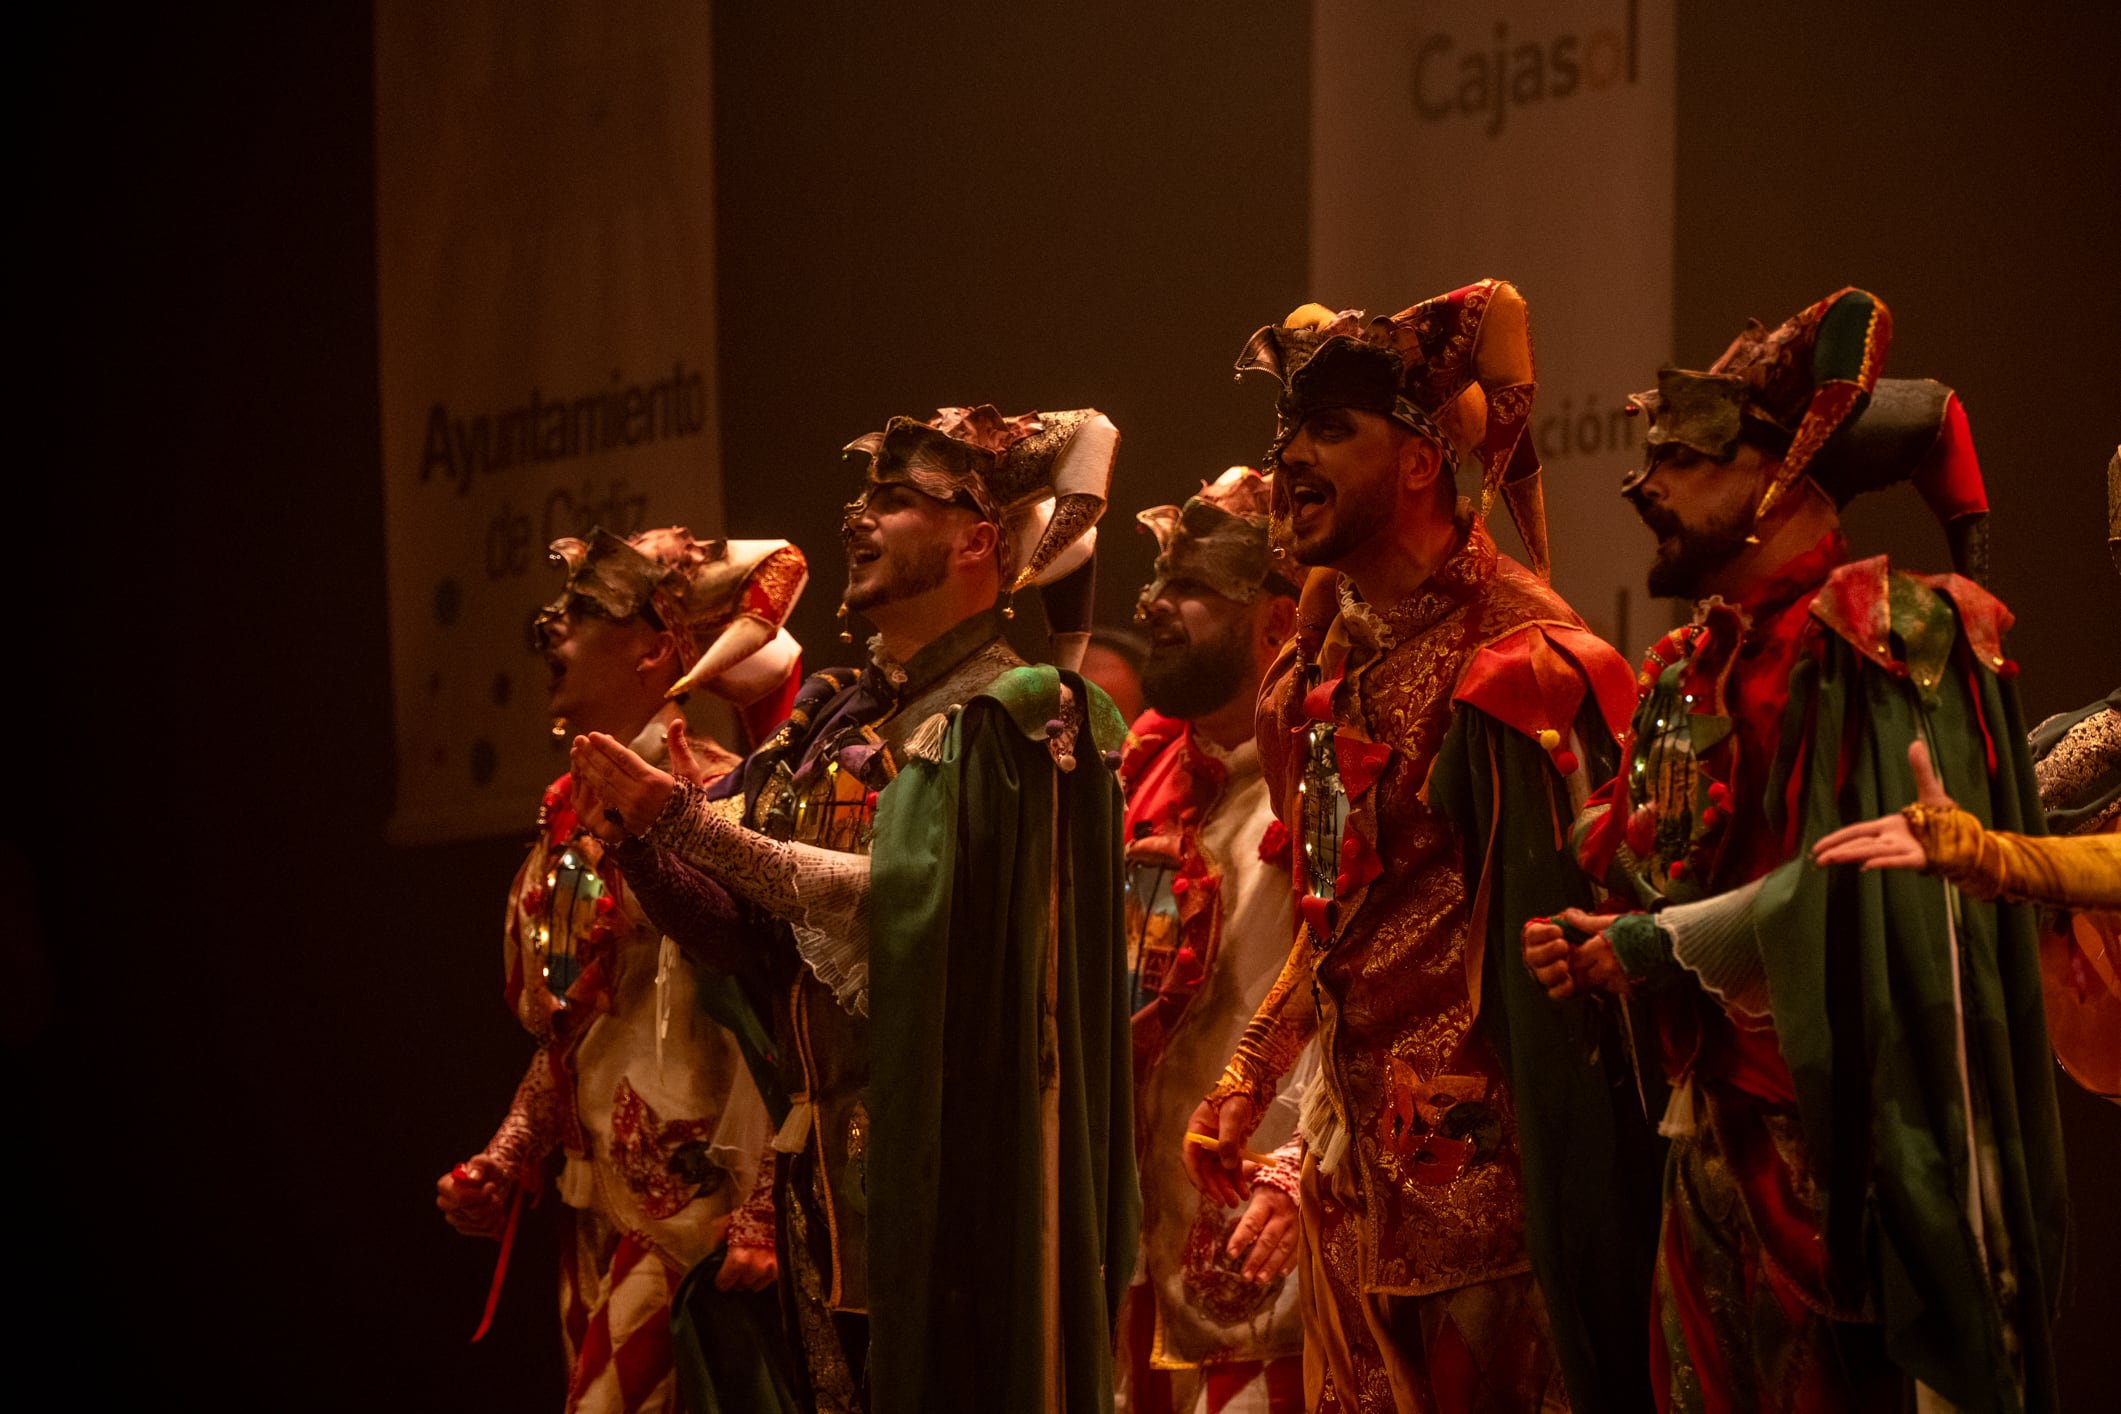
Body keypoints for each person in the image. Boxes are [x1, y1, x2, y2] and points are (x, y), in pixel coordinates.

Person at [1523, 289, 2069, 1411]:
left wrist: (1654, 942)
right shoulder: (1691, 659)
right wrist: (1600, 892)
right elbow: (1658, 846)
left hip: (1841, 1150)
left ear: (1784, 479)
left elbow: (1860, 874)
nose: (1647, 488)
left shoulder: (1884, 634)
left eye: (1682, 461)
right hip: (1709, 1140)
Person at [571, 404, 1139, 1414]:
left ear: (978, 539)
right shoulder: (832, 720)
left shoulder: (1021, 714)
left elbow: (902, 898)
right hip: (822, 1184)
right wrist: (644, 843)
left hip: (960, 1175)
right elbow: (747, 934)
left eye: (893, 499)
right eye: (859, 497)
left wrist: (686, 826)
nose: (855, 517)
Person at [1186, 282, 1659, 1413]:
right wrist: (1249, 1082)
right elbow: (1342, 925)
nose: (1290, 457)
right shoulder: (1314, 673)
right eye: (1285, 430)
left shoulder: (1525, 663)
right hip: (1354, 1218)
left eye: (1328, 430)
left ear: (1418, 461)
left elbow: (1588, 997)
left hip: (1499, 1243)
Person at [434, 525, 806, 1412]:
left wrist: (761, 1207)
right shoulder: (566, 810)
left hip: (689, 1218)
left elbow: (777, 1001)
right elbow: (583, 1022)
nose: (547, 629)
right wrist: (508, 1149)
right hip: (593, 1201)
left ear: (654, 650)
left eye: (580, 612)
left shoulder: (718, 797)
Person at [1115, 467, 1307, 1413]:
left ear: (1277, 620)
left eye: (1192, 588)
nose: (1155, 604)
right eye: (1160, 582)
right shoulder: (1147, 782)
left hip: (1275, 1242)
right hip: (1146, 1252)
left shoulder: (1330, 778)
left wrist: (1302, 1165)